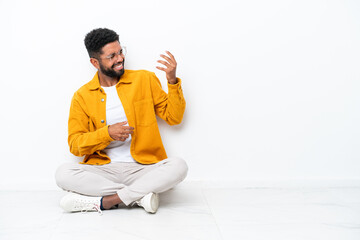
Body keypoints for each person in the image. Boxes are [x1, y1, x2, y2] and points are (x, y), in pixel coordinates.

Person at [55, 28, 188, 214]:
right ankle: (139, 197)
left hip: (144, 168)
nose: (119, 59)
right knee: (63, 174)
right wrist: (107, 134)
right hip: (104, 170)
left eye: (120, 52)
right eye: (111, 56)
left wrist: (172, 80)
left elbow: (174, 118)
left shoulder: (144, 79)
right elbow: (75, 145)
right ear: (95, 62)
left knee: (179, 166)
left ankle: (107, 202)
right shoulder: (82, 96)